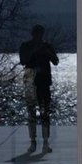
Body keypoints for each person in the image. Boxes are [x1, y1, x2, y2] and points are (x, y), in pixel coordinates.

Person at [19, 24, 59, 154]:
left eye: (40, 33)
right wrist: (34, 51)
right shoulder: (26, 46)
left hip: (44, 82)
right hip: (31, 81)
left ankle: (45, 142)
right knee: (31, 112)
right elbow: (23, 60)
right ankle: (33, 141)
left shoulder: (47, 46)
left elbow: (55, 61)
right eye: (36, 33)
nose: (38, 36)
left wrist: (45, 51)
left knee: (45, 112)